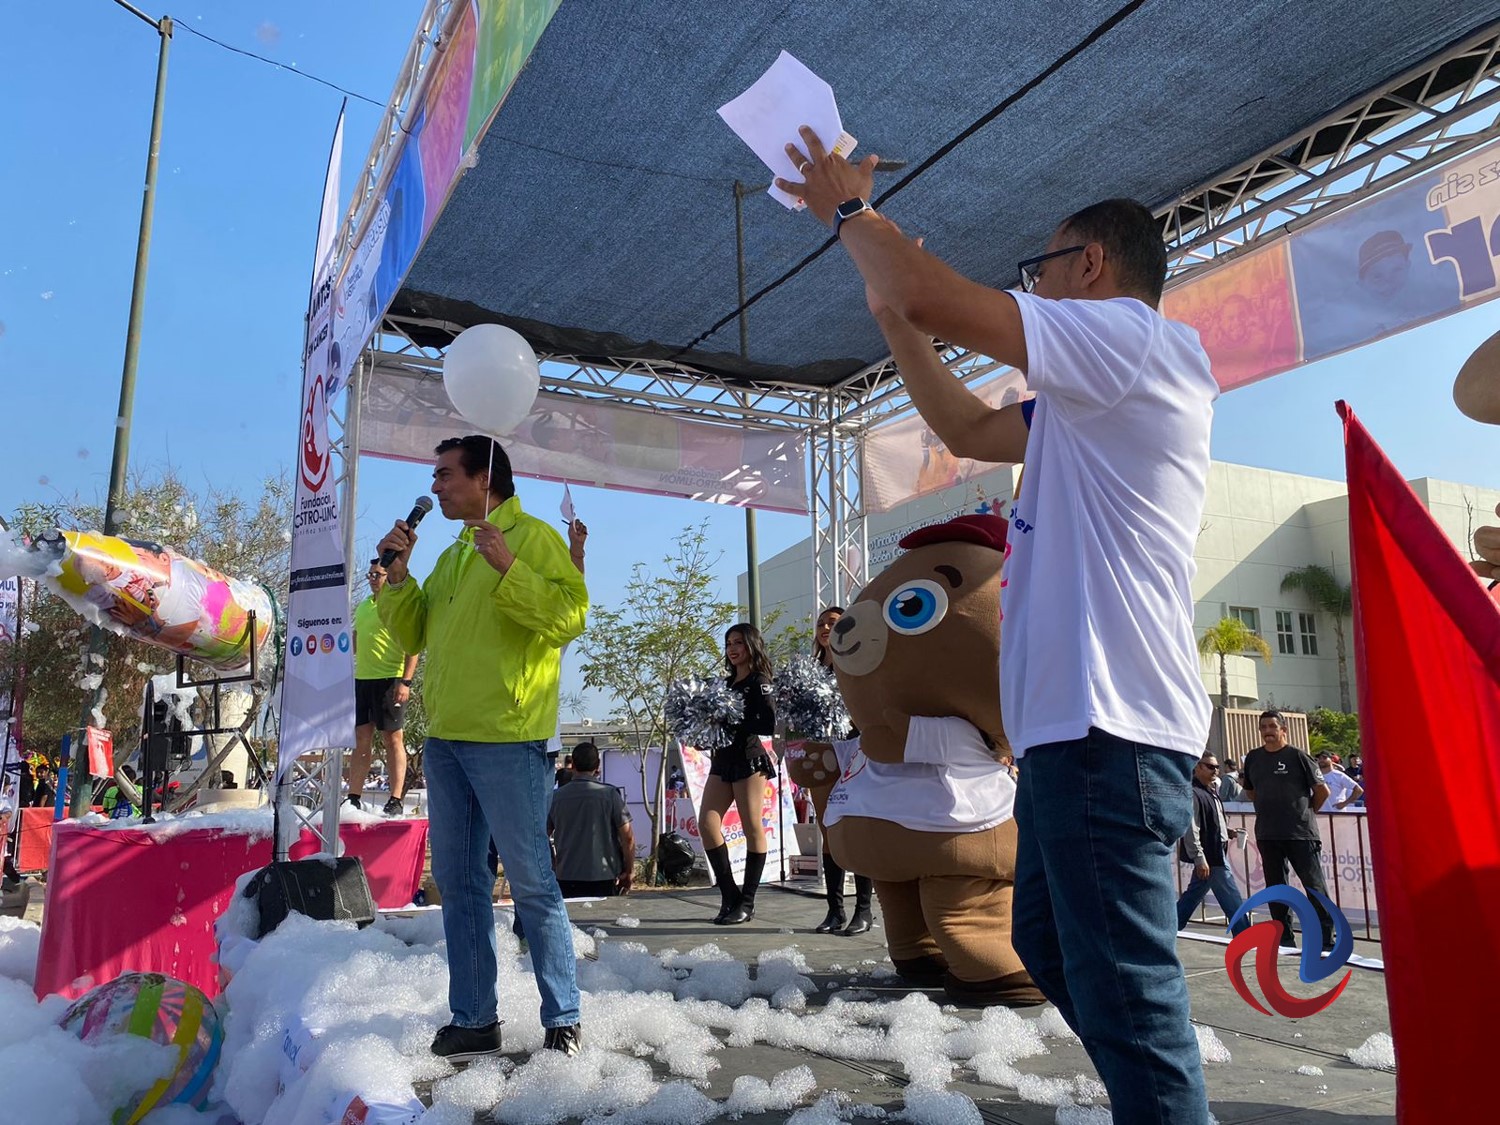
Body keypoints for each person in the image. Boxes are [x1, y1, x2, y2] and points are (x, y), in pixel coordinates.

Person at [779, 139, 1215, 1120]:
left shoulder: (1136, 343)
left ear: (1092, 267)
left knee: (1132, 998)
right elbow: (966, 428)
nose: (1035, 286)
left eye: (1043, 269)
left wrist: (857, 217)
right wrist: (894, 309)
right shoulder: (1086, 397)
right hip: (1076, 734)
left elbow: (940, 295)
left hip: (1116, 730)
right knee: (1059, 954)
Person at [377, 434, 588, 1063]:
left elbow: (570, 618)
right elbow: (414, 630)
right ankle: (473, 1018)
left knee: (529, 880)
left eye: (445, 474)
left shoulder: (532, 539)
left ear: (483, 477)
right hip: (444, 739)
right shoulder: (454, 552)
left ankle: (563, 1016)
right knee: (459, 883)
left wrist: (511, 569)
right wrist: (397, 575)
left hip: (508, 736)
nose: (435, 486)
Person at [700, 623, 776, 926]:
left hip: (749, 761)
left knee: (751, 827)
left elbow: (768, 723)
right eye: (729, 643)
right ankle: (730, 894)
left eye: (739, 643)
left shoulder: (760, 681)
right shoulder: (724, 684)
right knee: (707, 823)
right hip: (722, 761)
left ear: (751, 646)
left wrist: (733, 720)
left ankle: (748, 901)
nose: (732, 649)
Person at [1239, 711, 1335, 950]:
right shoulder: (1253, 758)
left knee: (1314, 885)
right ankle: (1284, 937)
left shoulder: (1299, 756)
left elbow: (1322, 791)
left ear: (1283, 730)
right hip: (1268, 834)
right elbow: (1251, 791)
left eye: (1273, 726)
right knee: (1276, 887)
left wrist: (1305, 813)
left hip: (1301, 834)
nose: (1268, 731)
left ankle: (1327, 938)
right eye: (1264, 727)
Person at [809, 606, 872, 936]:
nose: (824, 627)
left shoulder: (860, 664)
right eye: (821, 623)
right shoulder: (812, 672)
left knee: (854, 827)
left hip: (856, 752)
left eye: (832, 622)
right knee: (828, 830)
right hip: (822, 753)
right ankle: (835, 910)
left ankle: (864, 909)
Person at [350, 559, 421, 816]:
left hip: (390, 679)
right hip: (362, 679)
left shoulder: (396, 606)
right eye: (370, 574)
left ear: (387, 575)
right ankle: (353, 796)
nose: (372, 579)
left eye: (377, 574)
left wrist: (406, 681)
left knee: (393, 738)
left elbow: (413, 644)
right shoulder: (363, 607)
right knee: (360, 739)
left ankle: (396, 797)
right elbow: (356, 641)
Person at [547, 742, 634, 898]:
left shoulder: (555, 798)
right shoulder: (610, 795)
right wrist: (629, 871)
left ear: (572, 764)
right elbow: (627, 837)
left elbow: (541, 836)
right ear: (597, 765)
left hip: (567, 875)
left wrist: (553, 865)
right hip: (603, 875)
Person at [1175, 754, 1249, 936]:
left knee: (1193, 895)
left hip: (1215, 849)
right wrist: (1199, 858)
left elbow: (1215, 821)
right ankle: (1245, 935)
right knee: (1230, 895)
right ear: (1197, 767)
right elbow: (1191, 828)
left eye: (1216, 767)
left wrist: (1229, 832)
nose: (1215, 770)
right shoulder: (1193, 793)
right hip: (1211, 854)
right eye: (1210, 766)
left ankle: (1168, 927)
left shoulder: (1210, 791)